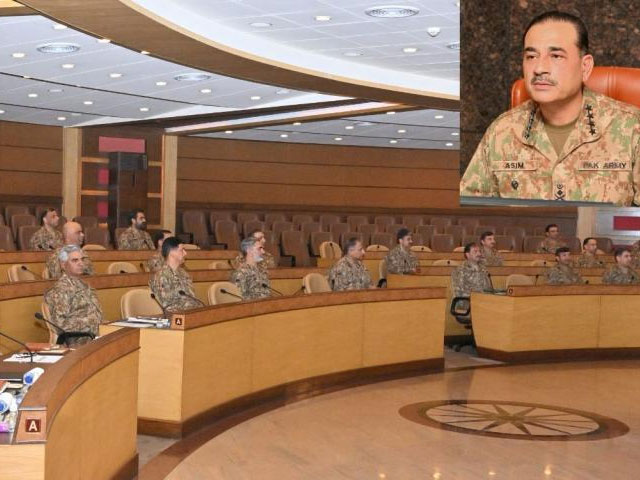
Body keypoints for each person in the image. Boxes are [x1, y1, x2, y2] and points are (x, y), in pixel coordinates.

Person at [460, 10, 640, 205]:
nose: (539, 68)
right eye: (531, 56)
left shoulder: (631, 128)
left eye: (556, 56)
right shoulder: (502, 131)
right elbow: (471, 210)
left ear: (585, 67)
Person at [43, 245, 103, 346]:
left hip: (94, 337)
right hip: (78, 342)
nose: (80, 263)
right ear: (63, 265)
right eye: (75, 260)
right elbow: (60, 325)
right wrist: (89, 322)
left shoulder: (84, 285)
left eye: (82, 259)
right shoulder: (60, 289)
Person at [149, 237, 204, 313]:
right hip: (175, 317)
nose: (185, 253)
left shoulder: (184, 273)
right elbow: (169, 307)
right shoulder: (161, 276)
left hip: (190, 313)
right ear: (172, 252)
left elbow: (191, 298)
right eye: (182, 250)